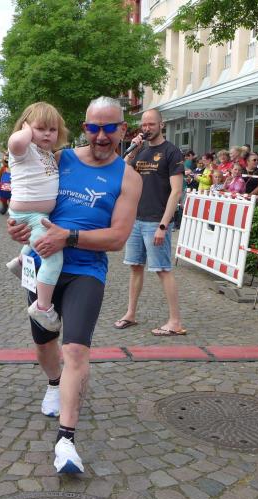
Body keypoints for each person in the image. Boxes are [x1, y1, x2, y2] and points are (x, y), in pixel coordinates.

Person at [8, 96, 142, 473]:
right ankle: (54, 382)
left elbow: (118, 237)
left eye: (109, 128)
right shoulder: (59, 158)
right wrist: (17, 227)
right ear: (84, 128)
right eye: (94, 128)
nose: (101, 136)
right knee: (44, 343)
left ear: (122, 129)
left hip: (86, 270)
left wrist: (67, 237)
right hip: (40, 265)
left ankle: (66, 441)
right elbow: (29, 193)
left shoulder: (129, 177)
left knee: (77, 351)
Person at [115, 106, 185, 337]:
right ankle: (130, 314)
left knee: (162, 269)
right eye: (144, 124)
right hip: (137, 219)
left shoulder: (172, 152)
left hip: (157, 220)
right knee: (135, 267)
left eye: (151, 124)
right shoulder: (141, 152)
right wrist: (132, 150)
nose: (147, 128)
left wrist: (163, 225)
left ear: (161, 125)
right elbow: (120, 172)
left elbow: (176, 192)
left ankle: (175, 322)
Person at [5, 102, 69, 332]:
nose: (47, 134)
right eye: (40, 128)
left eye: (52, 129)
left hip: (38, 215)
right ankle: (42, 307)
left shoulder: (47, 153)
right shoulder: (25, 150)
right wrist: (25, 131)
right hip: (28, 215)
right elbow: (14, 143)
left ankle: (21, 261)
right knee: (53, 258)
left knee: (37, 240)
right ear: (26, 127)